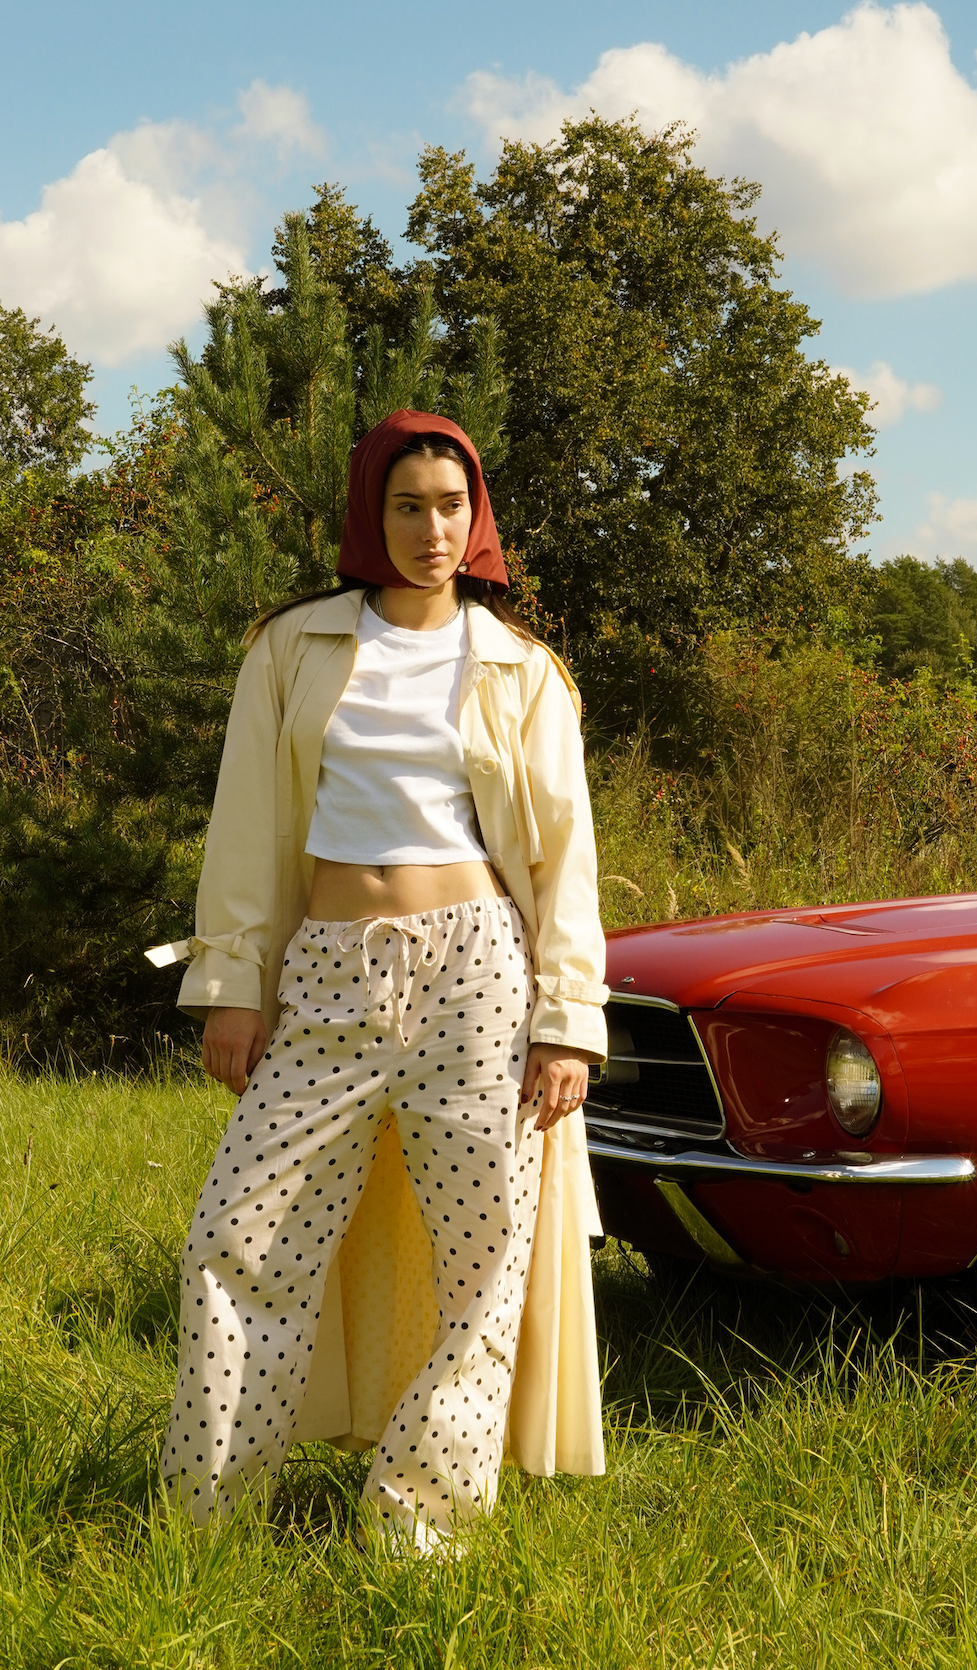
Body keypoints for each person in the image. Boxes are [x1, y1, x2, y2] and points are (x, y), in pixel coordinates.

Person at [147, 409, 608, 1553]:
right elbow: (246, 830)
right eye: (408, 505)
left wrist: (568, 1021)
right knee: (238, 1238)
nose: (431, 529)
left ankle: (420, 1521)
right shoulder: (293, 649)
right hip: (330, 981)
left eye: (451, 506)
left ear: (477, 518)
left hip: (479, 976)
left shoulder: (522, 670)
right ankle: (205, 1517)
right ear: (371, 512)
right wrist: (231, 986)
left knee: (484, 1258)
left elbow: (563, 854)